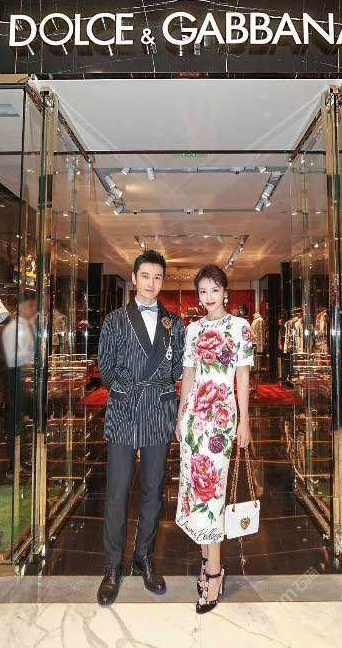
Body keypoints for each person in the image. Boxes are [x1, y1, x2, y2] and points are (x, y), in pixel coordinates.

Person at [97, 250, 185, 606]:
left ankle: (143, 556)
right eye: (145, 276)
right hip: (123, 410)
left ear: (163, 281)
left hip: (158, 411)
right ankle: (112, 565)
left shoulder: (173, 323)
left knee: (153, 490)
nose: (151, 283)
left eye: (157, 277)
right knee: (117, 492)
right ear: (134, 279)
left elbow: (177, 368)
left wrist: (154, 389)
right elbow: (105, 369)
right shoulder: (115, 320)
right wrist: (130, 387)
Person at [175, 265, 253, 614]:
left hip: (221, 420)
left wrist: (244, 421)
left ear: (225, 291)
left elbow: (242, 378)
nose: (208, 297)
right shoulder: (193, 330)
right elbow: (188, 375)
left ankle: (214, 571)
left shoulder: (240, 328)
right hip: (195, 419)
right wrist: (181, 417)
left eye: (214, 290)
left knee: (213, 493)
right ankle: (206, 557)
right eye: (202, 291)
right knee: (195, 490)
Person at [2, 292, 36, 476]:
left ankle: (21, 459)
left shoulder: (25, 327)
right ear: (21, 307)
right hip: (15, 379)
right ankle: (13, 464)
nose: (33, 309)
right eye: (31, 306)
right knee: (15, 422)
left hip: (23, 378)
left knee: (22, 421)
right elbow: (12, 358)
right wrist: (30, 358)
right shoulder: (13, 328)